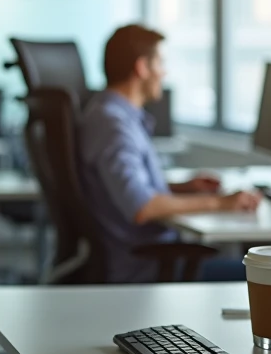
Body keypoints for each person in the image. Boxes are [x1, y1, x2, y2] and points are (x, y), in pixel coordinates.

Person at [78, 25, 261, 283]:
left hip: (150, 258)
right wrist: (221, 203)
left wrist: (183, 187)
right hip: (145, 268)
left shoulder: (110, 114)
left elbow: (124, 188)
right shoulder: (113, 124)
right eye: (160, 63)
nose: (165, 73)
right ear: (142, 67)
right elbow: (141, 206)